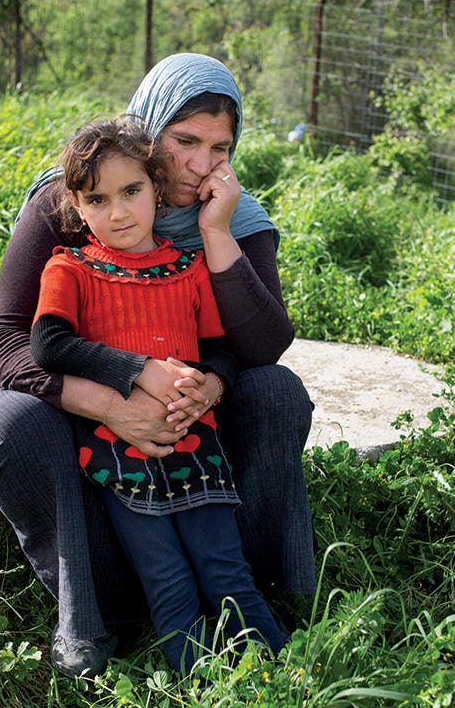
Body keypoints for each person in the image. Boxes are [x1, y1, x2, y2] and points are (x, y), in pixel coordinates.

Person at [0, 53, 315, 679]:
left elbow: (262, 347)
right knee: (9, 424)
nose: (201, 165)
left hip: (187, 418)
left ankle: (246, 596)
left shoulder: (237, 215)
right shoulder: (76, 197)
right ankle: (88, 615)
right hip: (90, 408)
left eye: (219, 147)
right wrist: (110, 402)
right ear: (149, 128)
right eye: (184, 142)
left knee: (278, 391)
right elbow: (7, 340)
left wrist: (214, 235)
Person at [29, 115, 284, 674]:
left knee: (224, 567)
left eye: (132, 191)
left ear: (155, 186)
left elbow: (220, 348)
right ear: (74, 204)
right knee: (166, 576)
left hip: (196, 445)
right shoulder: (69, 269)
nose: (118, 212)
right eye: (96, 199)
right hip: (120, 453)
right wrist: (135, 368)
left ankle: (285, 673)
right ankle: (201, 683)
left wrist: (209, 386)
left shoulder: (188, 268)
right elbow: (48, 344)